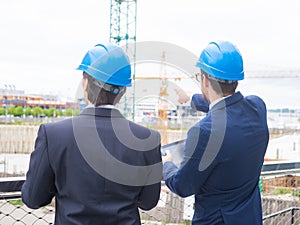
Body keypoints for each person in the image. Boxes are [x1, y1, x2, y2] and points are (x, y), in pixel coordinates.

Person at [22, 43, 162, 225]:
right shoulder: (147, 138)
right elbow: (148, 202)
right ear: (123, 91)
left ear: (86, 83)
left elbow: (33, 199)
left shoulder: (54, 134)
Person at [162, 40, 269, 225]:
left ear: (204, 80)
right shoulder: (257, 108)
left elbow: (183, 186)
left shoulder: (205, 131)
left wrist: (167, 165)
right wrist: (190, 100)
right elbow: (230, 106)